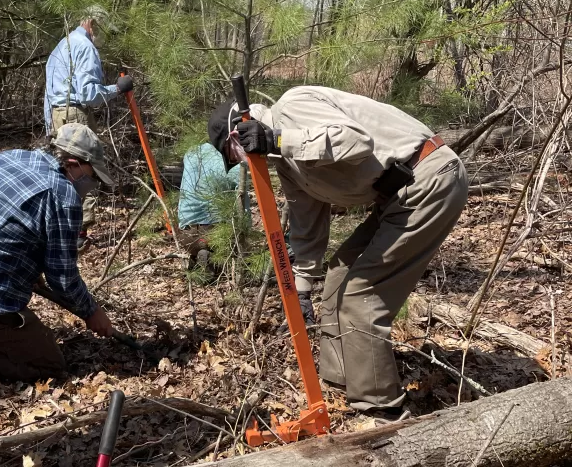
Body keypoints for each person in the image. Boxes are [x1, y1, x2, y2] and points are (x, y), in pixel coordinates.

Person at [208, 86, 468, 420]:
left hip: (429, 178)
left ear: (238, 132)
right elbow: (307, 225)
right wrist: (301, 290)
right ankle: (342, 384)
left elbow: (355, 140)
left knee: (362, 294)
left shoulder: (292, 107)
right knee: (337, 275)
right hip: (396, 196)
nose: (237, 161)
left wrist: (276, 140)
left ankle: (381, 411)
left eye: (232, 153)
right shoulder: (286, 165)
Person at [0, 124, 115, 382]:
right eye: (91, 177)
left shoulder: (6, 157)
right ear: (73, 164)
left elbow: (1, 223)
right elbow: (63, 278)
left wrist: (30, 267)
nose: (90, 185)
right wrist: (92, 312)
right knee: (50, 367)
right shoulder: (63, 195)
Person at [44, 7, 133, 248]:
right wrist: (118, 88)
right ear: (93, 24)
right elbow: (90, 95)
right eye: (105, 31)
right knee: (86, 172)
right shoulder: (85, 47)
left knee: (62, 173)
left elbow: (49, 95)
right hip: (75, 115)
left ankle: (61, 230)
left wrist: (49, 126)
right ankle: (78, 236)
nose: (105, 38)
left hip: (57, 115)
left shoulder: (62, 45)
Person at [177, 142, 246, 270]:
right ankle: (212, 262)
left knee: (201, 245)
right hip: (213, 233)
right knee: (235, 255)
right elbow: (242, 200)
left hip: (185, 235)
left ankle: (195, 257)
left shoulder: (192, 151)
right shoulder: (231, 158)